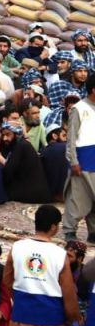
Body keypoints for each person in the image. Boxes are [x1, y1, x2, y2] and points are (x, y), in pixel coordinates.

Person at [3, 204, 80, 326]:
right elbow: (68, 293)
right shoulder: (60, 255)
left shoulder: (17, 247)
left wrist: (21, 299)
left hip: (21, 315)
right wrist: (73, 317)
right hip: (51, 320)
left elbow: (6, 281)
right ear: (53, 227)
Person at [63, 72, 95, 242]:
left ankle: (93, 232)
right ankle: (69, 231)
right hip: (83, 159)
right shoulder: (79, 109)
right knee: (77, 198)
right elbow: (71, 137)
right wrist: (73, 160)